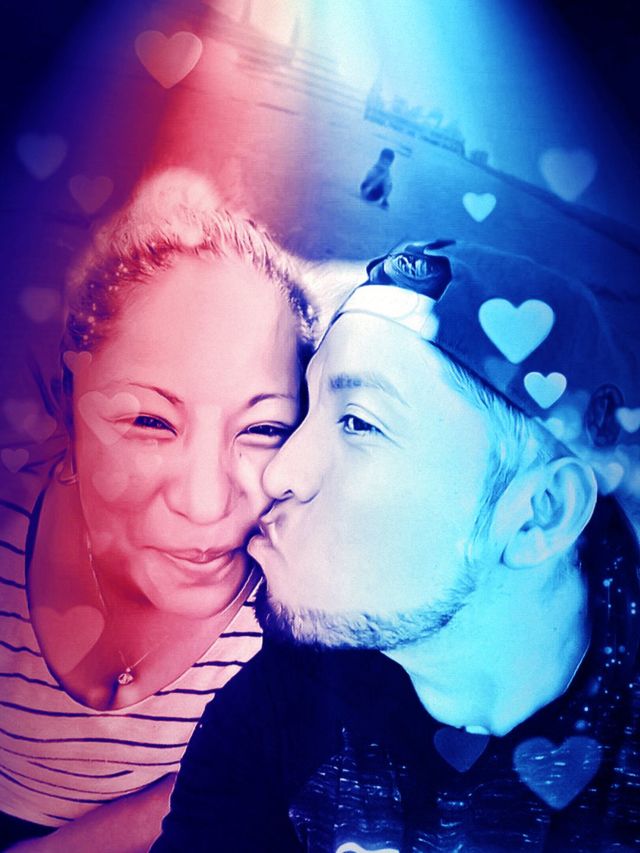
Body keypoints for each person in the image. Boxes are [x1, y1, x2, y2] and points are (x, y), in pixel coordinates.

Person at [153, 239, 640, 852]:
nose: (278, 474)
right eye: (307, 411)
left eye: (359, 422)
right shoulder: (276, 711)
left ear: (538, 515)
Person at [0, 168, 315, 851]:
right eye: (149, 420)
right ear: (72, 403)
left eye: (263, 428)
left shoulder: (298, 606)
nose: (207, 504)